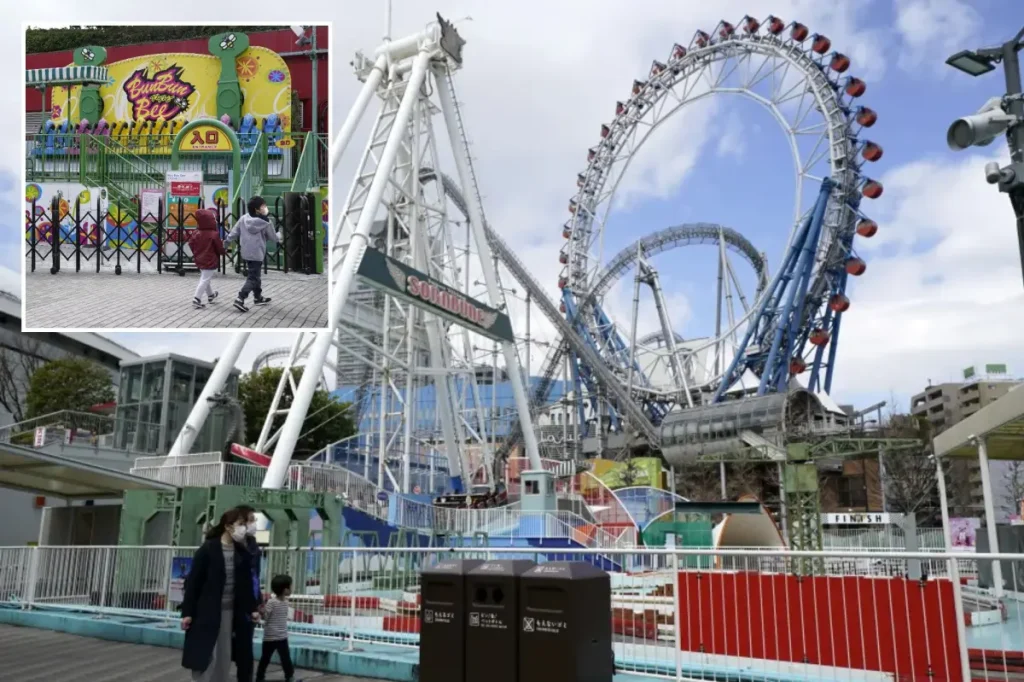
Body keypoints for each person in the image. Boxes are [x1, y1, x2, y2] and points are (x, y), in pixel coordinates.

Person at [180, 508, 260, 682]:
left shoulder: (241, 552)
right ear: (228, 526)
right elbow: (194, 583)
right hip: (208, 610)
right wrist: (187, 613)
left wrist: (252, 609)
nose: (244, 528)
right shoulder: (208, 550)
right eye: (240, 524)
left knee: (224, 655)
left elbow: (245, 584)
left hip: (230, 612)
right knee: (208, 654)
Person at [225, 196, 280, 313]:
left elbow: (234, 232)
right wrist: (281, 236)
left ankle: (258, 297)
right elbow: (274, 237)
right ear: (257, 210)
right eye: (263, 206)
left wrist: (227, 241)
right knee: (253, 277)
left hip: (246, 251)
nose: (265, 208)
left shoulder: (243, 218)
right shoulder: (266, 222)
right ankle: (240, 298)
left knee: (255, 274)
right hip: (257, 252)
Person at [231, 505, 263, 682]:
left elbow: (255, 577)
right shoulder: (228, 546)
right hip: (231, 603)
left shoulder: (252, 544)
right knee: (226, 647)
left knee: (246, 651)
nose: (253, 524)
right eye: (249, 520)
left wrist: (258, 600)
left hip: (250, 604)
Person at [255, 575, 300, 682]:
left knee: (286, 659)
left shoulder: (285, 602)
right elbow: (266, 617)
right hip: (270, 638)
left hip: (282, 636)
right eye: (290, 587)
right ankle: (259, 677)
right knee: (265, 659)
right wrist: (262, 613)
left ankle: (289, 677)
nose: (291, 589)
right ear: (285, 590)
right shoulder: (271, 602)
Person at [187, 208, 225, 309]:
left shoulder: (196, 233)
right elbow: (219, 247)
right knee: (205, 279)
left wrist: (196, 253)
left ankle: (211, 296)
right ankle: (197, 298)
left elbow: (191, 243)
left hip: (199, 258)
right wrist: (222, 252)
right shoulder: (214, 234)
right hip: (210, 259)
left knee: (205, 277)